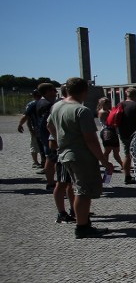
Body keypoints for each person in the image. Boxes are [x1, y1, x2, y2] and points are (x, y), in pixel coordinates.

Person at [46, 78, 113, 239]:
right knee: (83, 191)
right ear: (85, 91)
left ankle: (83, 222)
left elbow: (49, 125)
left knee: (77, 188)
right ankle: (82, 226)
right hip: (80, 155)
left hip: (65, 154)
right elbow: (90, 139)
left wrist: (61, 139)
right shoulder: (81, 110)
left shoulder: (57, 106)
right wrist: (104, 161)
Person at [50, 85, 77, 224]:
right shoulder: (61, 106)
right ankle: (62, 212)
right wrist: (59, 140)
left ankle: (74, 209)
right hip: (66, 151)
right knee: (62, 183)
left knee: (71, 183)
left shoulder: (59, 106)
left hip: (67, 150)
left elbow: (49, 125)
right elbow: (49, 126)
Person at [118, 88, 136, 184]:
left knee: (127, 155)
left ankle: (127, 175)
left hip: (122, 133)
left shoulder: (120, 104)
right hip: (134, 134)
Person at [35, 83, 59, 190]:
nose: (55, 92)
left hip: (45, 135)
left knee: (50, 158)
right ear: (47, 92)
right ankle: (51, 183)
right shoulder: (47, 105)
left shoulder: (41, 102)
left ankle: (51, 182)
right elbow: (47, 123)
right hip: (49, 136)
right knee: (51, 158)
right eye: (53, 90)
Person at [17, 89, 44, 168]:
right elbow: (27, 117)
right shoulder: (46, 102)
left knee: (35, 146)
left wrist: (21, 125)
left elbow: (26, 117)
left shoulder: (31, 104)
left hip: (36, 128)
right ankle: (40, 162)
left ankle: (37, 162)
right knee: (41, 146)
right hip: (40, 128)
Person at [96, 97, 123, 168]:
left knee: (116, 150)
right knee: (108, 150)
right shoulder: (103, 112)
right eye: (106, 103)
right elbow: (110, 120)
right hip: (106, 131)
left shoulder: (108, 111)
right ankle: (105, 164)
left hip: (112, 131)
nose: (108, 104)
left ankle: (122, 164)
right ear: (102, 104)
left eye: (109, 102)